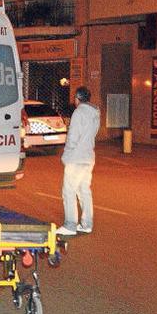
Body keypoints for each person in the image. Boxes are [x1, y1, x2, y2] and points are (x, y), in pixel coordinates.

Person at [56, 86, 100, 236]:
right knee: (84, 190)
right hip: (88, 156)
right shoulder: (95, 113)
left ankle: (70, 225)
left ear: (77, 98)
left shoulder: (79, 112)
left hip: (76, 157)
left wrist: (66, 156)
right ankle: (87, 224)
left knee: (68, 191)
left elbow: (73, 137)